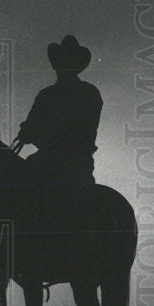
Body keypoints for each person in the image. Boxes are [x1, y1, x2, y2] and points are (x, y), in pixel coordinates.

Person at [11, 35, 102, 240]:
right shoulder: (47, 95)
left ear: (75, 65)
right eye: (60, 62)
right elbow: (31, 124)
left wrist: (36, 135)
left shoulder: (88, 94)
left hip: (75, 161)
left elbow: (84, 131)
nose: (62, 66)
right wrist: (26, 133)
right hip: (49, 158)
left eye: (67, 62)